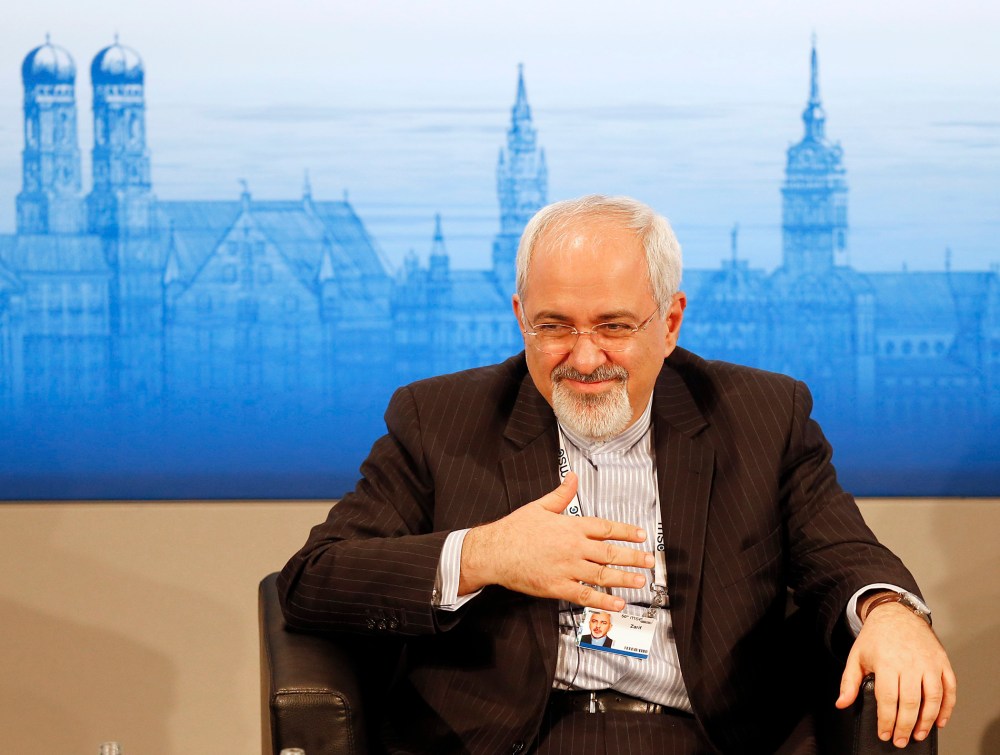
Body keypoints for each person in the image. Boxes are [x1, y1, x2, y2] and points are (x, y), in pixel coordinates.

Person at [279, 195, 956, 753]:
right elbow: (312, 580)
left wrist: (888, 610)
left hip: (704, 734)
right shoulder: (438, 419)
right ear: (520, 319)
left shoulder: (762, 415)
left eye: (613, 325)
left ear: (669, 321)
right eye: (554, 326)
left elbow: (842, 551)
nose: (583, 356)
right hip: (511, 738)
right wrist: (486, 554)